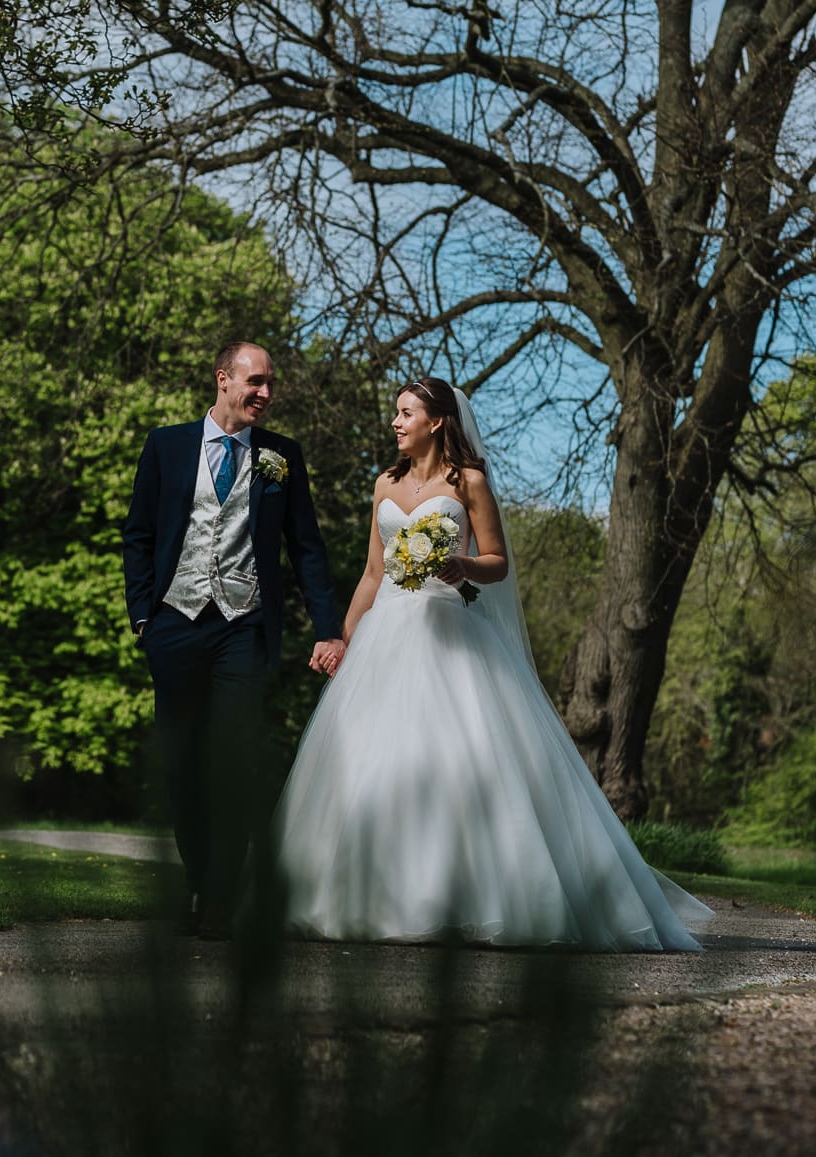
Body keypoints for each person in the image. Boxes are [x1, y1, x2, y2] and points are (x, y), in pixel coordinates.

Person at [271, 377, 710, 950]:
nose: (395, 423)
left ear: (436, 421)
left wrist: (465, 567)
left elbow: (498, 561)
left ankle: (465, 899)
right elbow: (373, 575)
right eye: (395, 414)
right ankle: (363, 896)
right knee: (375, 762)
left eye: (406, 413)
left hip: (451, 634)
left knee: (460, 760)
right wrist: (343, 640)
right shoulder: (384, 483)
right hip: (386, 633)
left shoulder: (469, 482)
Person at [122, 341, 344, 939]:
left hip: (243, 627)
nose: (266, 394)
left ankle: (219, 898)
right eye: (256, 381)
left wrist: (329, 627)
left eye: (272, 384)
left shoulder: (281, 458)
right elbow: (139, 534)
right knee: (182, 765)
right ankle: (198, 882)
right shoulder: (165, 446)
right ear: (223, 379)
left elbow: (306, 549)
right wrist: (142, 615)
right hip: (172, 624)